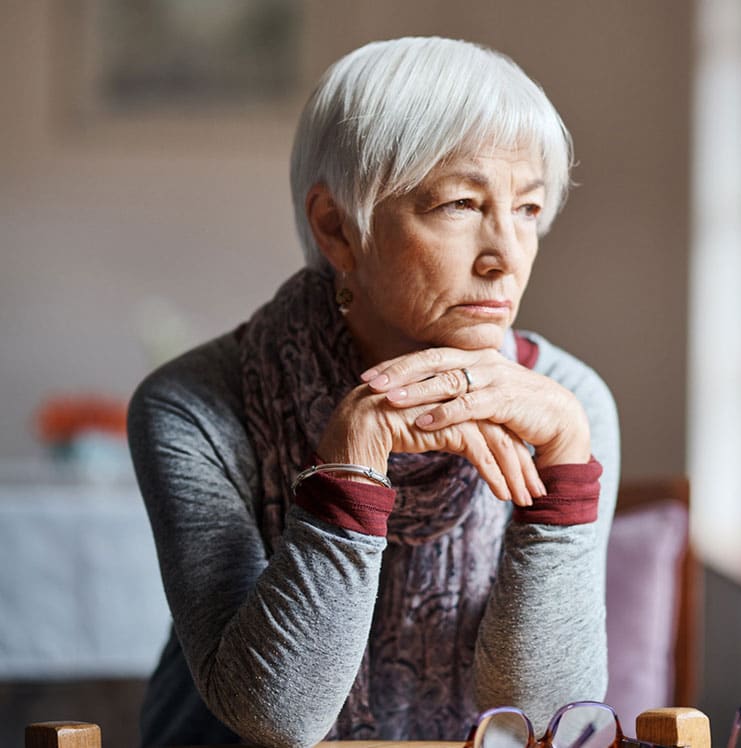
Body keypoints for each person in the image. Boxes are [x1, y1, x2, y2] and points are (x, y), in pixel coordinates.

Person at [127, 36, 619, 748]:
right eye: (459, 203)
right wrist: (351, 464)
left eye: (530, 210)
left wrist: (566, 469)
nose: (507, 256)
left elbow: (544, 718)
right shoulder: (195, 406)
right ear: (337, 228)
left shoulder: (567, 404)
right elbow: (277, 717)